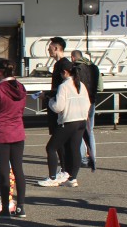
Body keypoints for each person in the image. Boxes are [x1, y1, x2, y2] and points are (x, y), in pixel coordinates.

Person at [39, 58, 91, 188]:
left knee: (51, 147)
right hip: (81, 120)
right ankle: (72, 178)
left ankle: (52, 178)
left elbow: (58, 107)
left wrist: (49, 100)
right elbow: (88, 103)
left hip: (69, 120)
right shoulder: (81, 84)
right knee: (74, 149)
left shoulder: (64, 86)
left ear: (65, 72)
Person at [0, 59, 28, 217]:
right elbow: (22, 108)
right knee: (18, 169)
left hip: (2, 132)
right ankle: (20, 207)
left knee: (3, 171)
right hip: (18, 131)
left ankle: (5, 208)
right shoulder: (21, 87)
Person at [42, 36, 69, 184]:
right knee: (59, 142)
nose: (48, 49)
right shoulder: (58, 64)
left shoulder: (64, 64)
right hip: (57, 105)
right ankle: (65, 171)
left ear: (57, 48)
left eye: (50, 47)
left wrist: (48, 94)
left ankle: (64, 171)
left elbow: (62, 88)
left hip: (60, 108)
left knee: (58, 143)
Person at [71, 49, 101, 171]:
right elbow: (100, 87)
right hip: (92, 101)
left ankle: (83, 157)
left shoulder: (76, 69)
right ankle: (93, 157)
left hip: (81, 102)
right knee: (90, 130)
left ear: (73, 58)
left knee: (79, 130)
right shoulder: (94, 68)